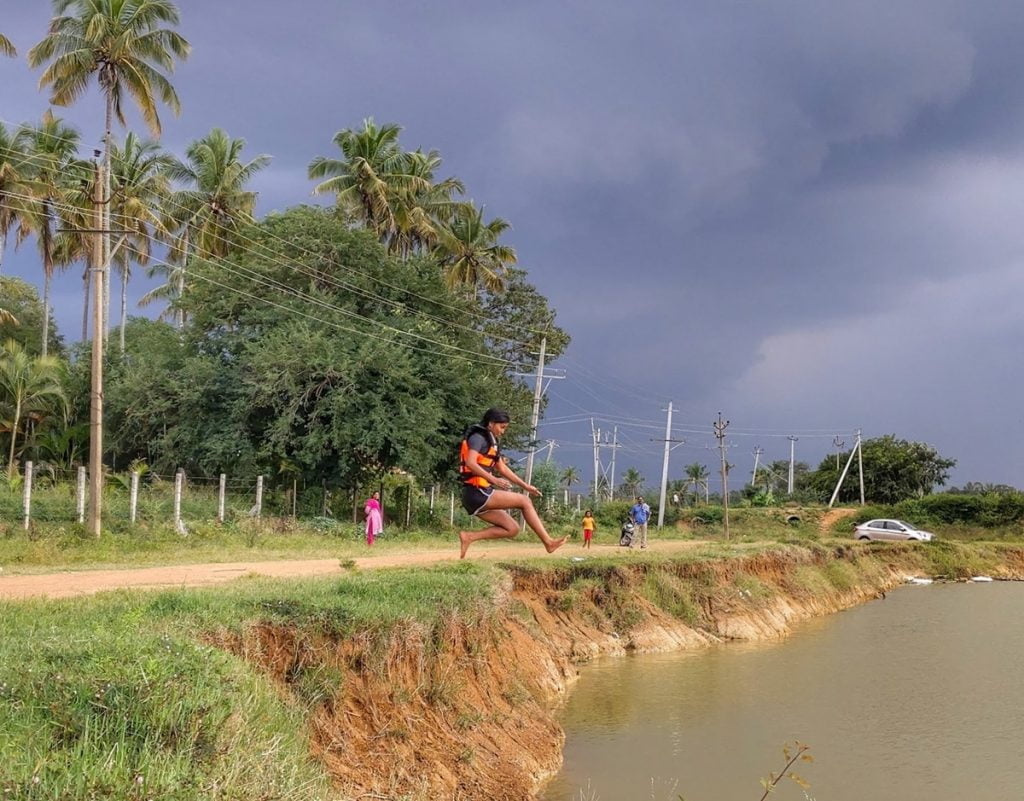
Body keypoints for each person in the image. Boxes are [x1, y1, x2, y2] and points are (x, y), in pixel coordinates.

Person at [457, 407, 567, 559]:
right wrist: (494, 480)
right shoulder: (478, 438)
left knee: (512, 529)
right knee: (524, 501)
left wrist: (526, 486)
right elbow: (470, 462)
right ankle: (548, 542)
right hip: (476, 492)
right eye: (501, 427)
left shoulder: (491, 441)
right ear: (491, 423)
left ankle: (469, 537)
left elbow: (502, 468)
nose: (503, 431)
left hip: (478, 494)